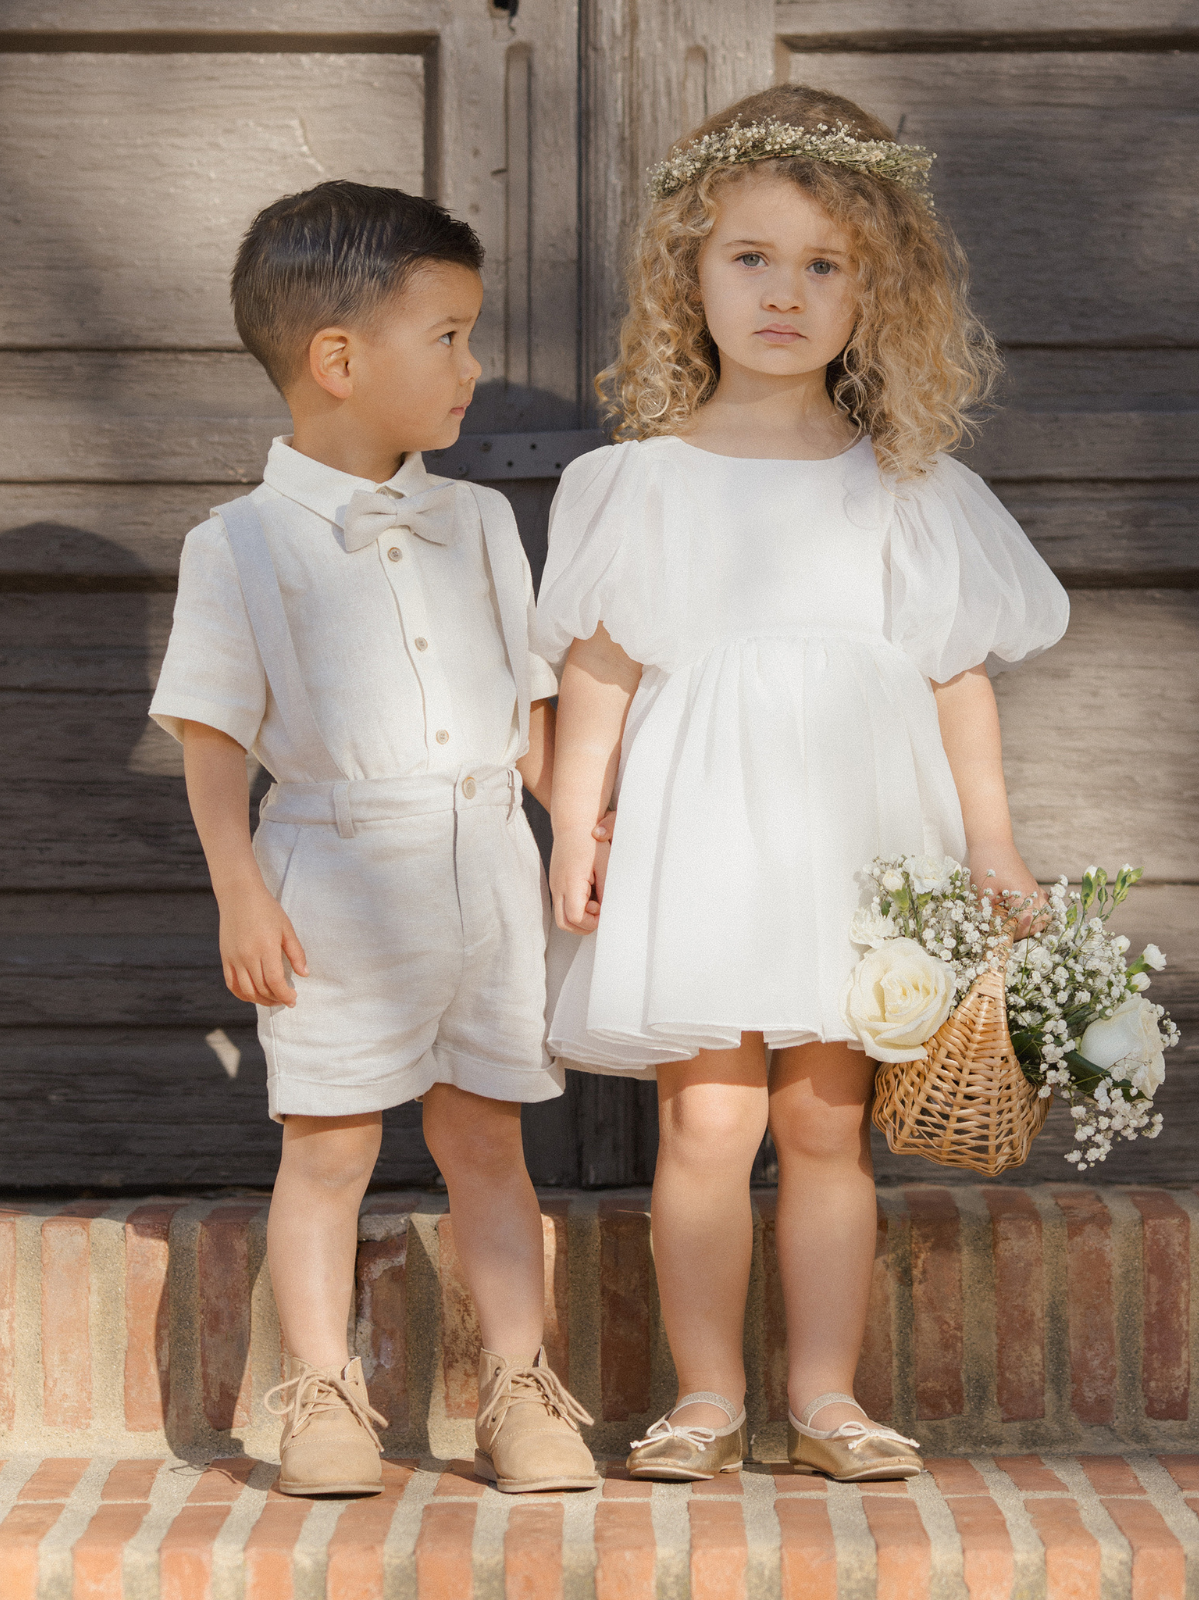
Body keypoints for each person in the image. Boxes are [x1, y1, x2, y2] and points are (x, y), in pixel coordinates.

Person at [539, 85, 1069, 1482]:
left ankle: (826, 1394)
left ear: (873, 290)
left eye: (824, 266)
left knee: (827, 1121)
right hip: (704, 838)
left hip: (857, 844)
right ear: (687, 273)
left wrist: (992, 847)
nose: (784, 293)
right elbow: (598, 668)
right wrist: (573, 821)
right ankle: (706, 1394)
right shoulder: (634, 483)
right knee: (707, 1116)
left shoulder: (904, 484)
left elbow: (956, 679)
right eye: (751, 259)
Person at [149, 181, 597, 1497]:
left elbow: (528, 712)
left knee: (487, 1143)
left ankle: (519, 1388)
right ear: (337, 361)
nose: (473, 367)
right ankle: (323, 1395)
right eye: (447, 337)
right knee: (329, 1144)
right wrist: (238, 890)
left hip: (483, 873)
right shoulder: (233, 545)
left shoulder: (477, 524)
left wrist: (574, 829)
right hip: (331, 876)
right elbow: (214, 735)